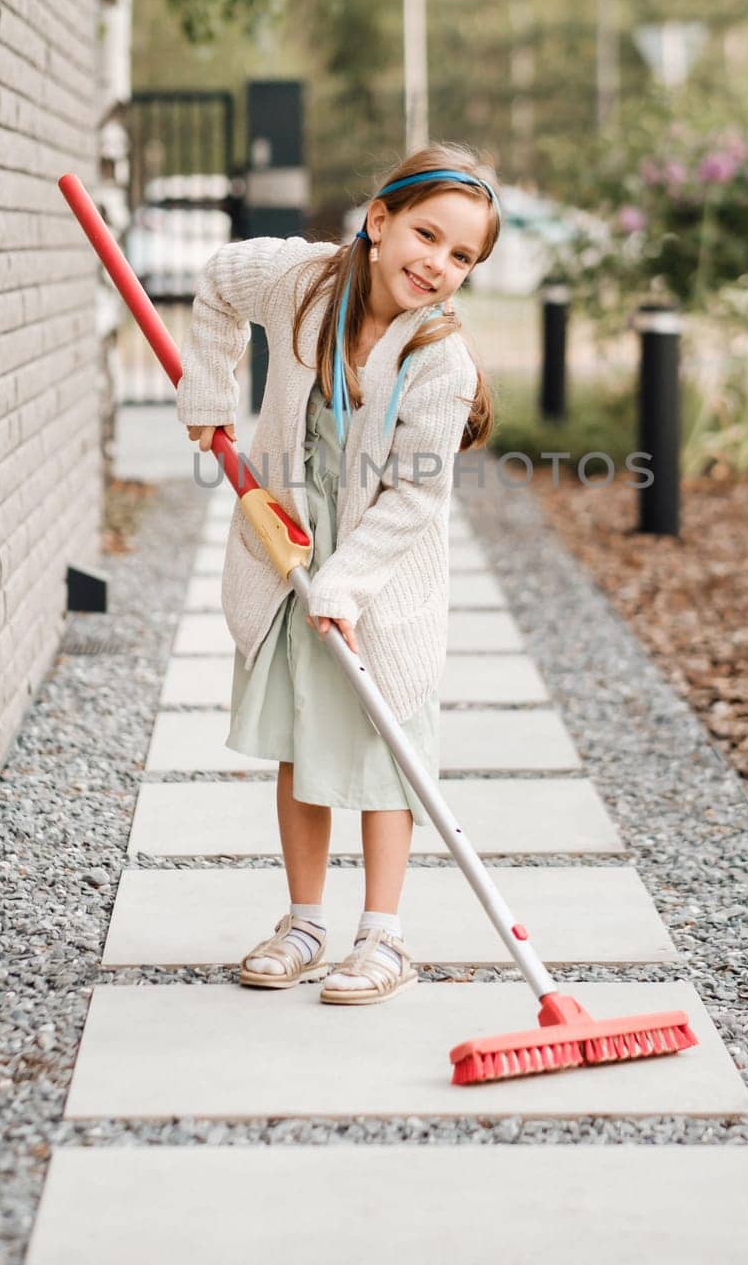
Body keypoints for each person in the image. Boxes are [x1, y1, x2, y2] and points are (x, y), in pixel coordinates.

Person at [177, 141, 500, 1004]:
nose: (436, 264)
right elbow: (214, 281)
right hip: (289, 544)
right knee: (300, 734)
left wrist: (348, 586)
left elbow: (410, 502)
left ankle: (382, 937)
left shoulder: (440, 362)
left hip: (381, 575)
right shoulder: (304, 285)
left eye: (461, 256)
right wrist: (208, 402)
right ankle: (307, 921)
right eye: (426, 235)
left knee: (384, 744)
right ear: (379, 219)